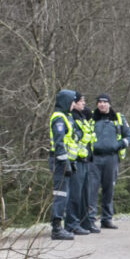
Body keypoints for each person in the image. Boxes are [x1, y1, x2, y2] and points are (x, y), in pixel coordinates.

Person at [90, 94, 130, 229]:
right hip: (94, 158)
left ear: (109, 104)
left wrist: (119, 145)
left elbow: (129, 136)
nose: (102, 104)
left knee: (109, 189)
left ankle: (106, 219)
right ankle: (90, 219)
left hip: (111, 158)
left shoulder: (118, 118)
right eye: (100, 102)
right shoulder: (90, 117)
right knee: (91, 189)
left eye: (105, 102)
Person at [47, 89, 79, 240]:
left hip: (64, 161)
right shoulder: (59, 118)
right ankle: (56, 228)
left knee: (64, 194)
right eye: (72, 101)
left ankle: (59, 225)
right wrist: (64, 161)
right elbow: (59, 142)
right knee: (60, 194)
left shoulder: (66, 116)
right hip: (59, 161)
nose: (74, 104)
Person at [64, 93, 96, 235]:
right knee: (74, 196)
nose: (84, 104)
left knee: (84, 195)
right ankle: (72, 224)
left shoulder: (83, 117)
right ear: (74, 102)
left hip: (85, 160)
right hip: (75, 161)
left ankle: (85, 222)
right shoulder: (71, 118)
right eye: (81, 101)